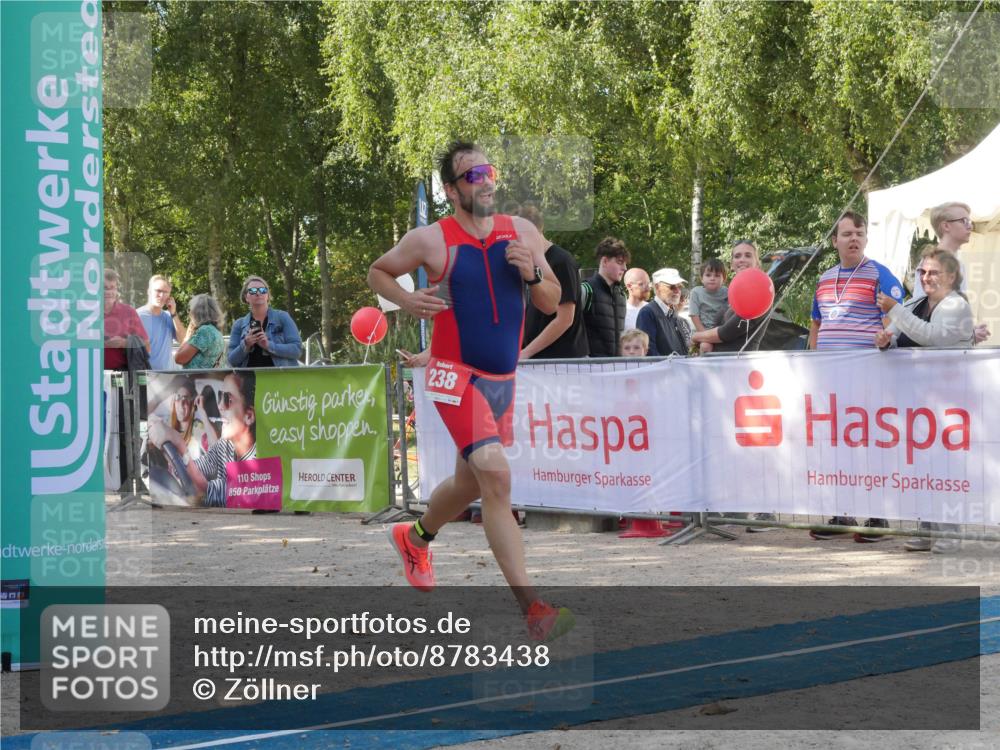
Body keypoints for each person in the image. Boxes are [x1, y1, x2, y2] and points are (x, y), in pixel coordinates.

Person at [367, 140, 573, 641]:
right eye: (472, 174)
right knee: (497, 479)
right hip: (452, 373)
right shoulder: (431, 240)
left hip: (502, 379)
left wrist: (532, 272)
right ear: (451, 189)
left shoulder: (521, 232)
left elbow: (553, 302)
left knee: (468, 484)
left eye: (488, 171)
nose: (484, 180)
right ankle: (533, 607)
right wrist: (408, 299)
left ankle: (415, 536)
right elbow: (378, 271)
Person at [807, 211, 905, 542]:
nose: (853, 239)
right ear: (834, 240)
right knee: (838, 446)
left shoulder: (879, 274)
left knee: (873, 444)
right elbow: (816, 323)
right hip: (832, 382)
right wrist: (815, 360)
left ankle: (879, 516)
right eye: (846, 234)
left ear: (865, 238)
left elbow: (897, 316)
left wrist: (886, 335)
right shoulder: (823, 278)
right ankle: (842, 512)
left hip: (869, 379)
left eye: (859, 233)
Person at [876, 247, 974, 554]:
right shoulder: (916, 302)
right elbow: (895, 332)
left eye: (933, 272)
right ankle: (925, 528)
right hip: (915, 400)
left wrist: (895, 310)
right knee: (920, 466)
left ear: (951, 276)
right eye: (922, 272)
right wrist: (884, 340)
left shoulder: (957, 305)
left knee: (945, 467)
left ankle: (950, 531)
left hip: (948, 401)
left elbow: (933, 337)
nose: (926, 277)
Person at [148, 371, 256, 508]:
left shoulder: (257, 459)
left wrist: (180, 446)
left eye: (228, 399)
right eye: (219, 396)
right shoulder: (225, 446)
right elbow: (198, 468)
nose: (220, 406)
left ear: (249, 416)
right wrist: (171, 451)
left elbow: (210, 491)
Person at [517, 204, 588, 359]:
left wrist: (526, 353)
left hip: (563, 361)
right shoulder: (525, 262)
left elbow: (565, 319)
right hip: (538, 359)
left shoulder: (561, 261)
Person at [919, 202, 989, 344]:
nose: (970, 226)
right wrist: (969, 335)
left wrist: (968, 332)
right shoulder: (930, 265)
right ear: (946, 226)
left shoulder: (958, 263)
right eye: (964, 221)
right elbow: (922, 315)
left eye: (970, 221)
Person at [691, 241, 770, 355]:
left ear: (757, 263)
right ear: (732, 264)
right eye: (737, 256)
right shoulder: (734, 292)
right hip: (717, 364)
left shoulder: (760, 290)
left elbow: (726, 332)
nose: (742, 259)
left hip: (738, 365)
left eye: (748, 255)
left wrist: (695, 337)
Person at [227, 276, 302, 367]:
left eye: (262, 290)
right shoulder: (239, 324)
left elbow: (297, 350)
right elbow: (231, 360)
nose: (258, 293)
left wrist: (268, 345)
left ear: (267, 295)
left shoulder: (282, 317)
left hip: (280, 378)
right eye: (253, 290)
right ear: (246, 297)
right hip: (250, 379)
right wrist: (246, 344)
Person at [581, 237, 629, 357]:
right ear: (605, 261)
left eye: (625, 263)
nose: (624, 268)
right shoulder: (586, 289)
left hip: (616, 368)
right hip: (591, 369)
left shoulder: (622, 295)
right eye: (619, 262)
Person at [104, 268, 150, 371]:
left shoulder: (129, 312)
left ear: (116, 290)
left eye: (112, 287)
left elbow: (147, 347)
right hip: (90, 374)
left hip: (122, 375)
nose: (109, 292)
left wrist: (124, 343)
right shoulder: (86, 313)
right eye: (105, 287)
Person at [636, 268, 689, 356]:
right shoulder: (647, 313)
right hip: (662, 369)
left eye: (679, 286)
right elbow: (649, 352)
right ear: (657, 287)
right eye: (672, 287)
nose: (677, 291)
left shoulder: (673, 313)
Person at [137, 275, 186, 370]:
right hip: (145, 378)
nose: (162, 295)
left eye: (165, 292)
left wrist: (174, 314)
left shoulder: (169, 316)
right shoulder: (137, 316)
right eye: (158, 291)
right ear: (149, 291)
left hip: (166, 378)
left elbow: (184, 341)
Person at [689, 258, 729, 354]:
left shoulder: (727, 292)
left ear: (723, 279)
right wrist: (704, 335)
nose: (712, 278)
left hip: (721, 330)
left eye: (717, 275)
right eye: (708, 275)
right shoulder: (696, 292)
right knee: (705, 346)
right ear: (702, 278)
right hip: (703, 330)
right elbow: (694, 316)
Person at [176, 294, 226, 369]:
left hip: (197, 380)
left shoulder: (205, 331)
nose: (189, 314)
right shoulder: (216, 331)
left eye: (190, 310)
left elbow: (179, 359)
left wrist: (187, 337)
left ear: (197, 312)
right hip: (209, 379)